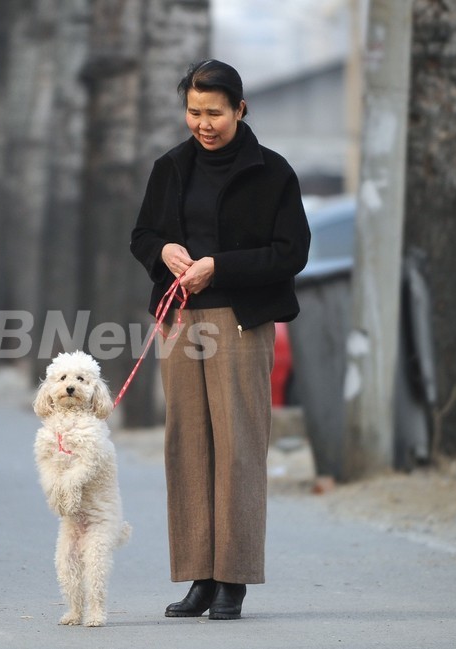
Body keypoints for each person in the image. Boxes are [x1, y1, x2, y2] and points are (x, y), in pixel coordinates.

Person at [130, 60, 310, 620]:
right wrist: (163, 251)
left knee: (238, 448)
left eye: (214, 113)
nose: (203, 123)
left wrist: (219, 267)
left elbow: (291, 253)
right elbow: (142, 234)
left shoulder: (274, 173)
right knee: (187, 447)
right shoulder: (171, 166)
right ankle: (199, 578)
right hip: (180, 321)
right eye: (193, 112)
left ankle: (233, 580)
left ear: (240, 109)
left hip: (240, 319)